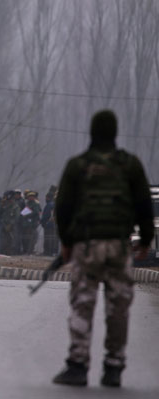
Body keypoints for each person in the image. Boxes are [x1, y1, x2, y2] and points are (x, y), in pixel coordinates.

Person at [52, 110, 153, 388]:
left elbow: (64, 208)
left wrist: (66, 243)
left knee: (83, 303)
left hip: (87, 245)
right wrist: (145, 241)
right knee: (118, 307)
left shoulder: (78, 165)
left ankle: (77, 365)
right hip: (119, 246)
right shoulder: (130, 165)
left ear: (92, 133)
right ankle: (114, 366)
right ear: (115, 133)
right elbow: (144, 204)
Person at [19, 190, 41, 254]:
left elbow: (36, 212)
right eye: (29, 196)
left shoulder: (35, 204)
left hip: (33, 223)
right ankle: (26, 250)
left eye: (31, 196)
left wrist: (27, 215)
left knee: (31, 238)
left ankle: (30, 251)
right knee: (26, 238)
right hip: (26, 223)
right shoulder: (28, 203)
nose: (30, 197)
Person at [40, 188, 58, 256]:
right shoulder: (54, 204)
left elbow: (46, 215)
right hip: (53, 224)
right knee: (52, 238)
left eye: (46, 197)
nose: (45, 198)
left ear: (48, 197)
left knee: (48, 238)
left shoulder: (49, 205)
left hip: (48, 224)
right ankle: (52, 252)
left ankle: (47, 252)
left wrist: (42, 222)